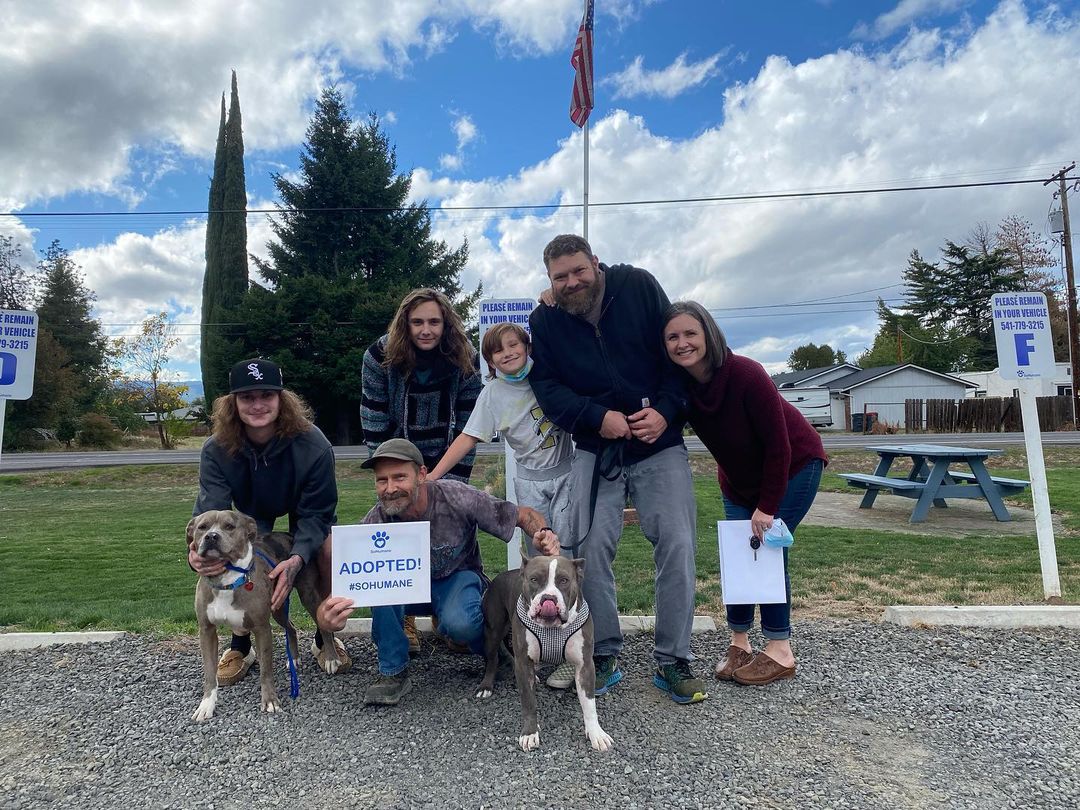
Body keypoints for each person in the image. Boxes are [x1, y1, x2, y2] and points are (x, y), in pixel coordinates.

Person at [528, 234, 707, 705]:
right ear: (549, 280)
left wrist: (668, 410)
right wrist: (595, 417)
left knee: (678, 543)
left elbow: (675, 354)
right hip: (595, 446)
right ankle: (600, 654)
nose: (571, 282)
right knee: (587, 549)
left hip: (658, 443)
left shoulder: (639, 287)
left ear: (596, 263)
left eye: (578, 271)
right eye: (560, 277)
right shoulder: (545, 320)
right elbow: (546, 386)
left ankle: (673, 660)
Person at [316, 438, 560, 706]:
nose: (390, 488)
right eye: (381, 480)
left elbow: (521, 514)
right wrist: (326, 615)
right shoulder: (377, 520)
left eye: (399, 477)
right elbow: (349, 579)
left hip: (455, 577)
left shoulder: (456, 496)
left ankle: (495, 653)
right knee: (380, 590)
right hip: (405, 587)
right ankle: (392, 671)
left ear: (421, 474)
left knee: (462, 623)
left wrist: (543, 533)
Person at [663, 301, 827, 686]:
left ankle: (780, 650)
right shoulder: (683, 386)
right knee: (739, 557)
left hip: (794, 468)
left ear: (708, 334)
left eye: (691, 333)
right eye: (673, 337)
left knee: (769, 554)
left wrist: (767, 507)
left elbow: (779, 446)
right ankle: (740, 642)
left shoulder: (747, 374)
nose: (682, 343)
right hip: (736, 482)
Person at [189, 358, 348, 686]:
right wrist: (198, 554)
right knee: (234, 561)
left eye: (267, 395)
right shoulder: (216, 449)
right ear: (233, 404)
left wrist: (297, 557)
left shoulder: (314, 445)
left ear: (282, 399)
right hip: (248, 512)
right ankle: (240, 644)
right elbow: (212, 513)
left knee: (325, 551)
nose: (257, 405)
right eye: (247, 397)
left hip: (303, 507)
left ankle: (324, 634)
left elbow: (316, 515)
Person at [361, 287, 483, 652]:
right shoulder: (379, 356)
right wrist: (390, 476)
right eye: (417, 322)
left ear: (446, 322)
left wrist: (450, 487)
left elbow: (470, 424)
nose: (426, 329)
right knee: (398, 539)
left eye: (434, 321)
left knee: (452, 527)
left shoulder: (466, 358)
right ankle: (405, 618)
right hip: (400, 459)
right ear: (405, 323)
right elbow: (373, 415)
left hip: (448, 458)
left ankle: (454, 611)